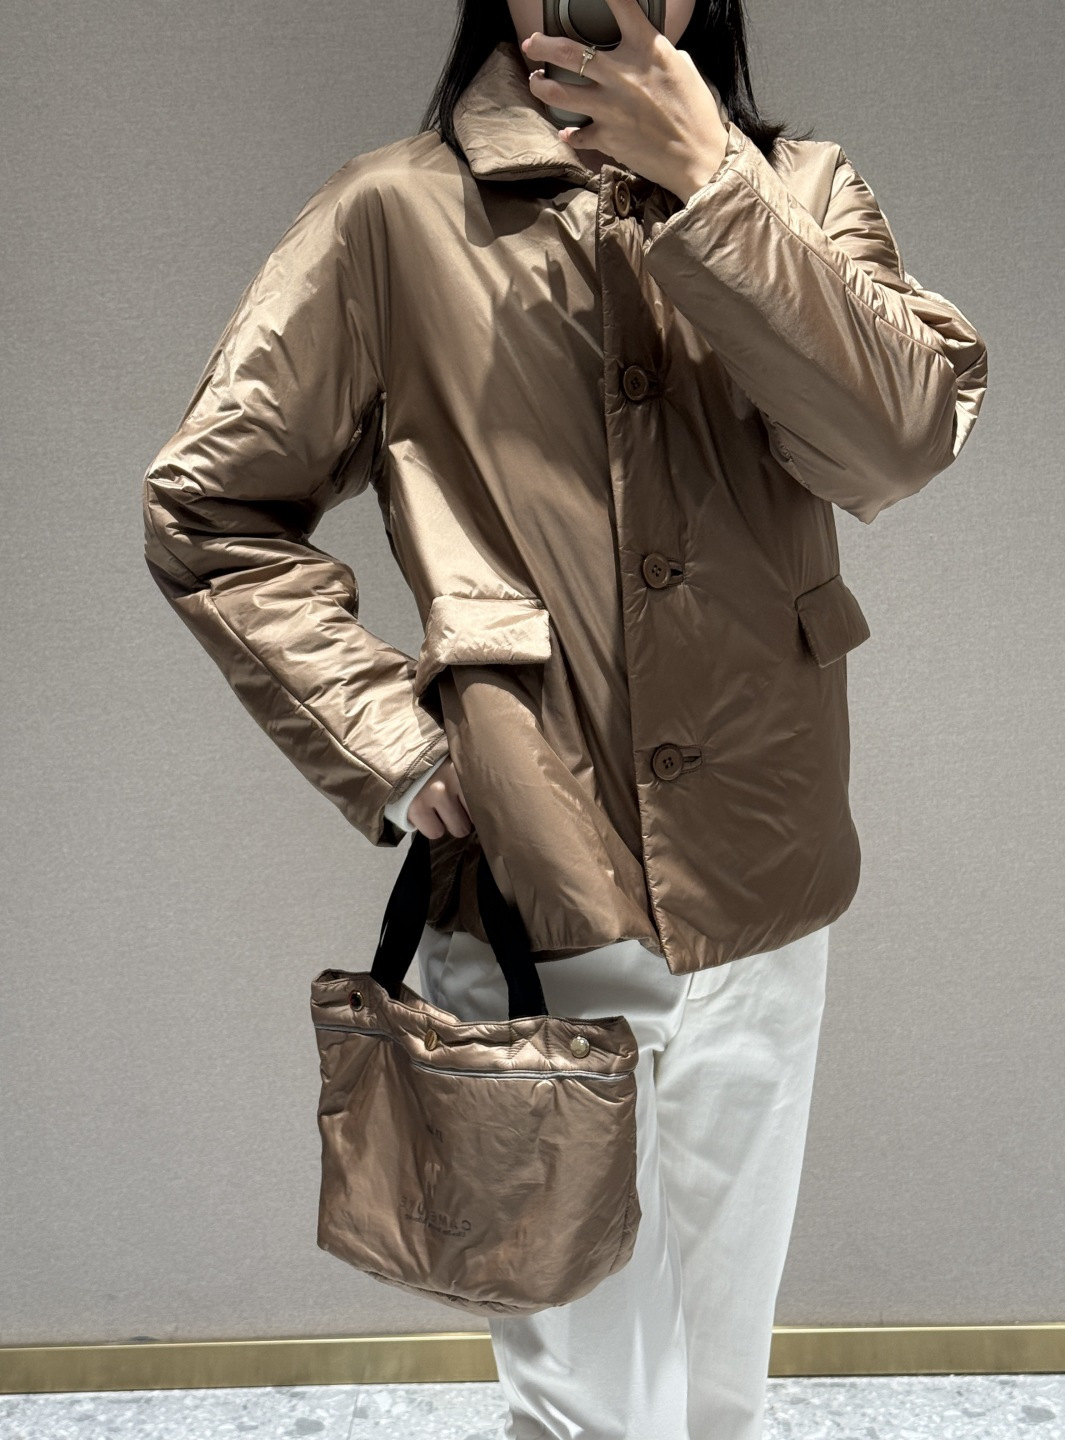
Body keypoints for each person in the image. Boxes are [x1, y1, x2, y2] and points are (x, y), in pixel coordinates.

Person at [141, 0, 988, 1436]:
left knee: (714, 1388)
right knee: (589, 1403)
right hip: (541, 867)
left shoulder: (802, 190)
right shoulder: (393, 217)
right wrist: (394, 741)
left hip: (765, 862)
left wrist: (714, 188)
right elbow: (210, 507)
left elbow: (897, 441)